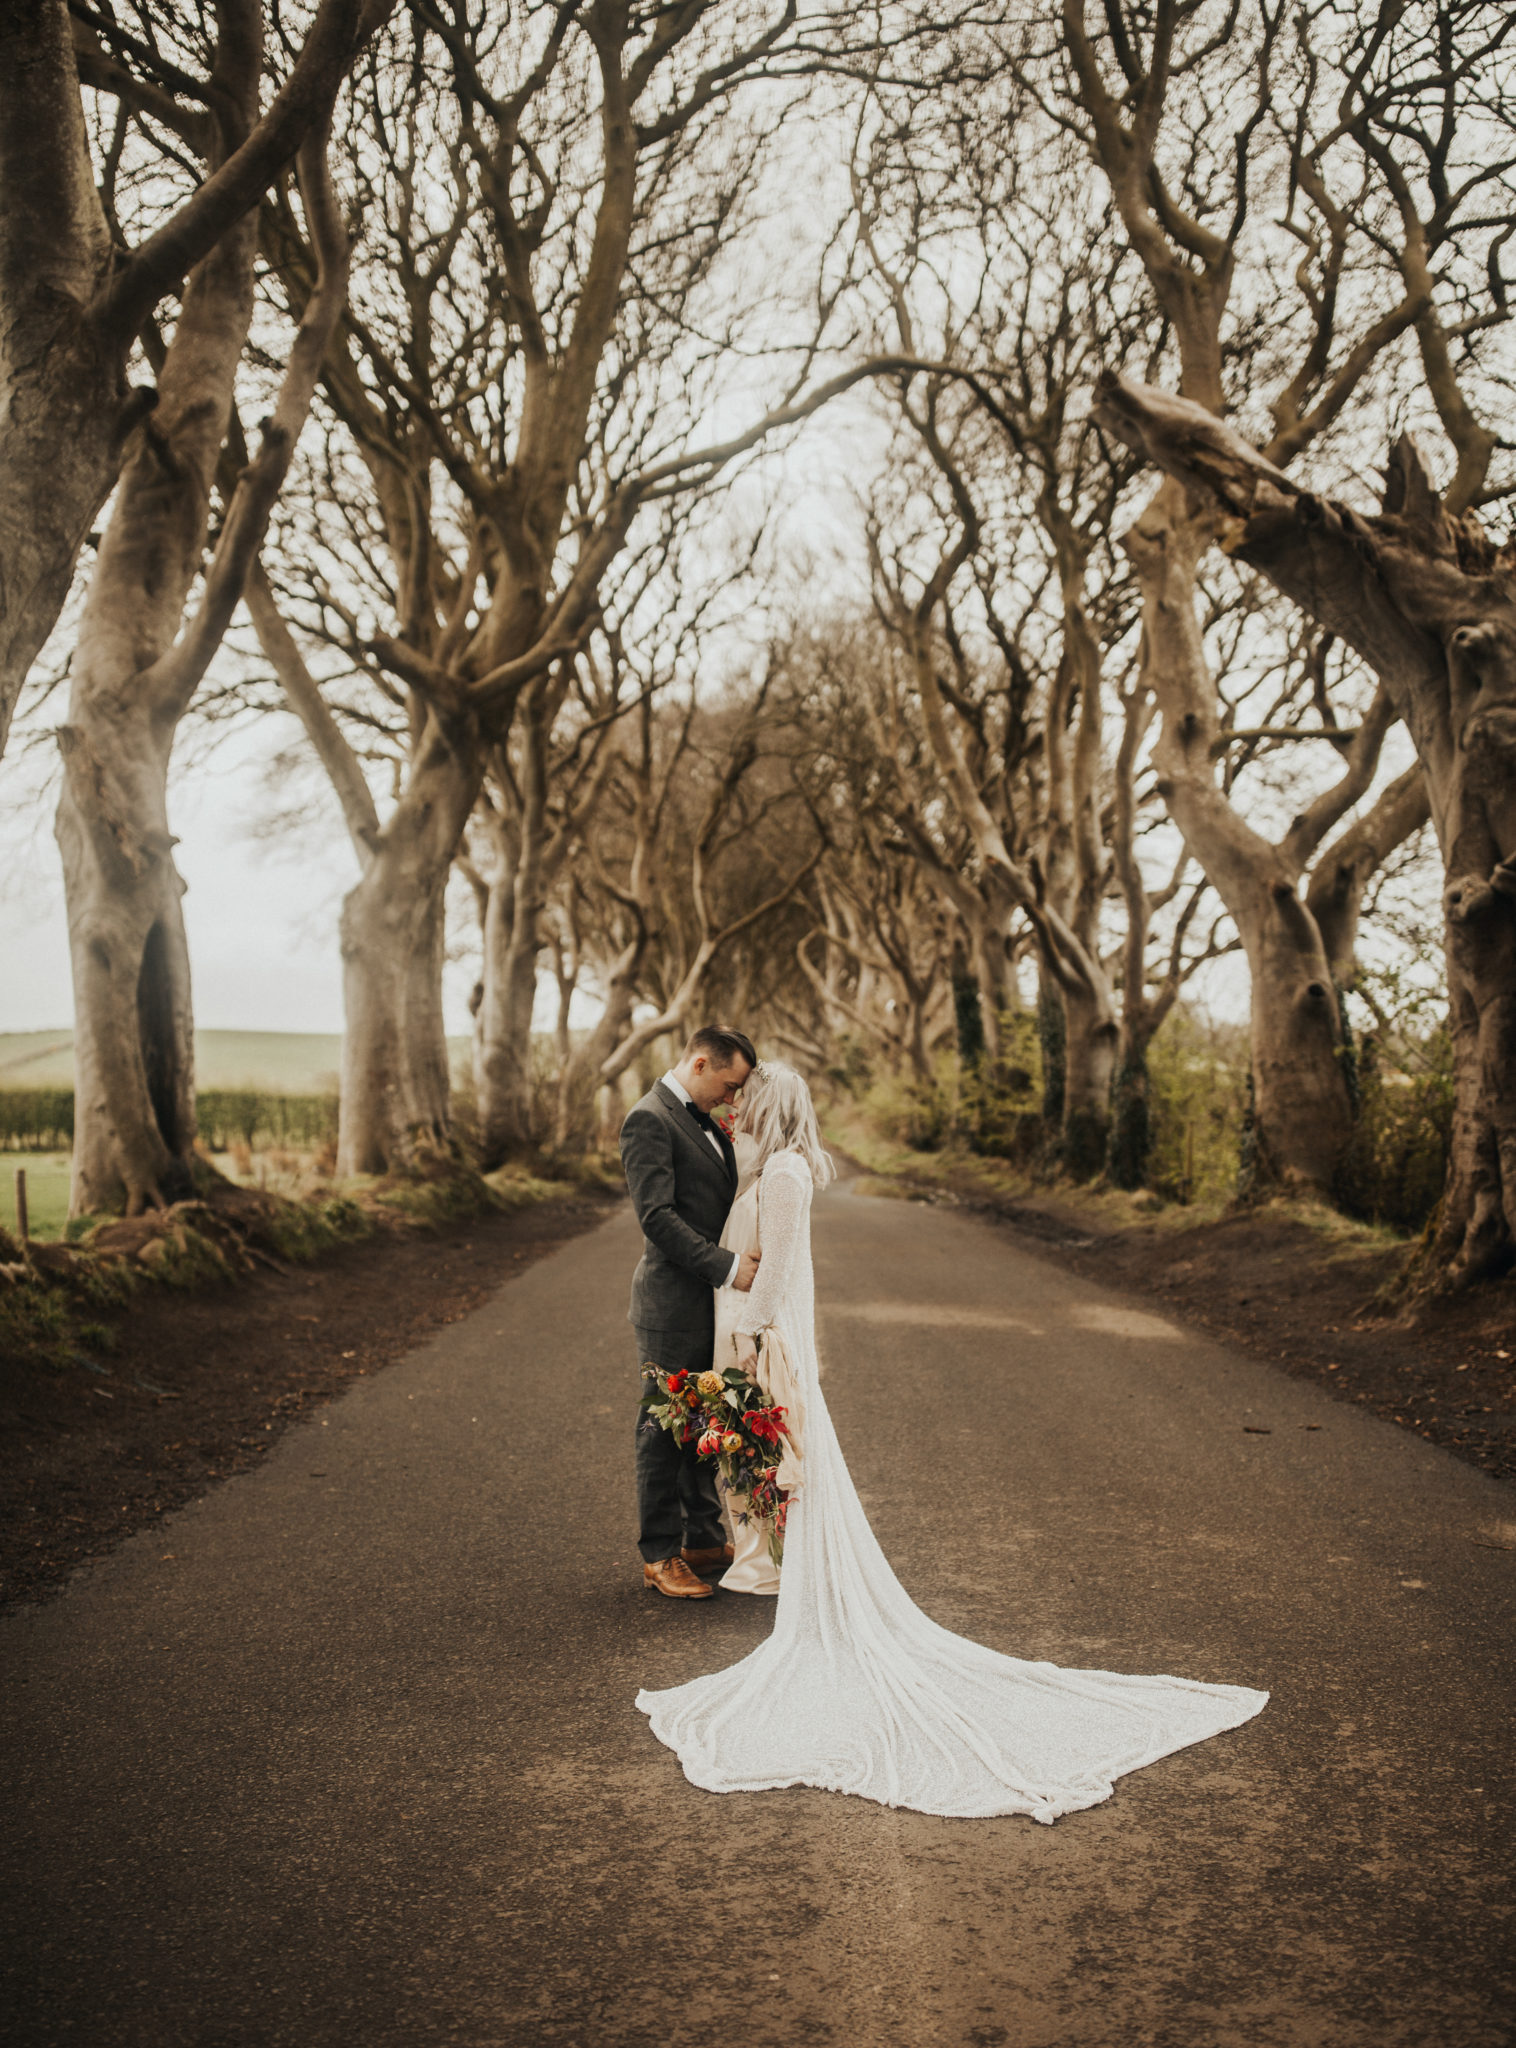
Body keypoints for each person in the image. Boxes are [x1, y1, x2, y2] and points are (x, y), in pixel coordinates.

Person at [636, 1061, 1269, 1823]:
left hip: (760, 1336)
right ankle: (774, 1563)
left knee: (783, 1459)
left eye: (747, 1098)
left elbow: (775, 1278)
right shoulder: (780, 1167)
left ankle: (786, 1573)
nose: (735, 1106)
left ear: (769, 1105)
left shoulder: (782, 1176)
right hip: (763, 1338)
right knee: (779, 1461)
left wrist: (748, 1335)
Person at [621, 1025, 760, 1599]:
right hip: (672, 1302)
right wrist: (729, 1266)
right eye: (729, 1086)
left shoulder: (702, 1117)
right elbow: (656, 1218)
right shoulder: (648, 1118)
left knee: (704, 1418)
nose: (733, 1099)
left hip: (708, 1304)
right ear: (700, 1064)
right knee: (661, 1426)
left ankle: (702, 1535)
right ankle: (659, 1553)